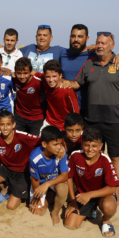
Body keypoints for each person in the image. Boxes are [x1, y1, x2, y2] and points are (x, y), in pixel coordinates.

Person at [64, 32, 119, 205]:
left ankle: (114, 192)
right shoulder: (89, 64)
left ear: (112, 45)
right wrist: (63, 82)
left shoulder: (117, 63)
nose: (100, 45)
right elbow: (77, 83)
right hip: (92, 118)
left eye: (104, 42)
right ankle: (91, 188)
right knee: (92, 154)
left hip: (114, 119)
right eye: (98, 43)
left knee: (116, 157)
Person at [65, 128, 119, 237]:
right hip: (82, 195)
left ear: (100, 146)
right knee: (69, 225)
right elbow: (69, 177)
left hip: (102, 194)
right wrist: (72, 201)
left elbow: (112, 187)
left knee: (109, 206)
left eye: (94, 146)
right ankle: (91, 209)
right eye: (86, 145)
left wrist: (90, 195)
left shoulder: (105, 160)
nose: (90, 149)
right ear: (81, 144)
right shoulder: (75, 156)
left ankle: (105, 220)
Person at [0, 110, 41, 210]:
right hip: (7, 169)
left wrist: (60, 148)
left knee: (11, 206)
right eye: (2, 124)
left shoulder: (22, 136)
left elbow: (42, 140)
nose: (5, 128)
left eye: (8, 124)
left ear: (14, 124)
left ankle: (12, 189)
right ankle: (7, 186)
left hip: (22, 173)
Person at [29, 126, 68, 225]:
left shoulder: (61, 152)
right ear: (44, 144)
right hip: (39, 183)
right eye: (55, 144)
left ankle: (55, 212)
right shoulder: (35, 157)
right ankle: (48, 199)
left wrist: (47, 184)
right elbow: (35, 179)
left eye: (60, 143)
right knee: (37, 213)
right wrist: (36, 197)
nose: (59, 147)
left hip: (53, 182)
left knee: (63, 189)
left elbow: (64, 176)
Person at [39, 60, 79, 131]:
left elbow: (75, 113)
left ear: (61, 75)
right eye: (48, 76)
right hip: (48, 123)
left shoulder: (67, 90)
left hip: (64, 126)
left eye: (54, 76)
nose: (51, 80)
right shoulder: (45, 81)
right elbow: (33, 73)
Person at [13, 57, 45, 135]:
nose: (22, 76)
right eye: (19, 73)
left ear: (31, 72)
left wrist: (44, 98)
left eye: (25, 73)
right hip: (19, 116)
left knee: (35, 142)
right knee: (16, 139)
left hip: (36, 118)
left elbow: (49, 78)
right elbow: (1, 71)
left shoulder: (38, 82)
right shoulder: (14, 79)